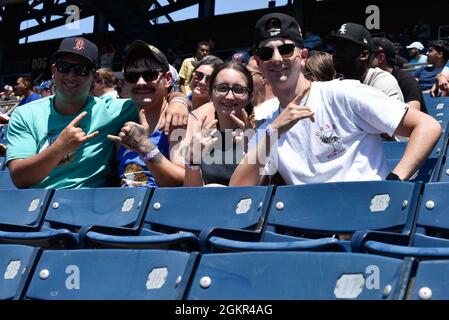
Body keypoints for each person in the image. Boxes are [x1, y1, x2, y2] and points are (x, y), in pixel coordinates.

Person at [229, 13, 441, 186]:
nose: (276, 58)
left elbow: (428, 126)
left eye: (285, 50)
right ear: (258, 62)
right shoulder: (269, 126)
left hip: (368, 224)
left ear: (302, 56)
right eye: (266, 53)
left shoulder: (343, 93)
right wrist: (272, 132)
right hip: (309, 229)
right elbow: (238, 190)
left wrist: (394, 182)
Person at [6, 36, 189, 189]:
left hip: (90, 211)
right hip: (35, 209)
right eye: (64, 67)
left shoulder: (116, 110)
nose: (71, 76)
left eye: (81, 70)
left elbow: (154, 96)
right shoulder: (25, 114)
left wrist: (178, 99)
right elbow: (20, 179)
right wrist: (59, 147)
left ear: (94, 77)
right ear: (54, 71)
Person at [107, 40, 189, 187]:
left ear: (168, 79)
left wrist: (145, 148)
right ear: (124, 82)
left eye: (150, 75)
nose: (140, 82)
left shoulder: (178, 121)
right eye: (132, 76)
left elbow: (184, 182)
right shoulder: (123, 121)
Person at [184, 61, 256, 186]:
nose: (229, 96)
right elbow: (192, 195)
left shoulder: (262, 134)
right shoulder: (203, 140)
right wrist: (192, 161)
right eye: (222, 88)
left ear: (250, 97)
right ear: (211, 94)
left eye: (238, 90)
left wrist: (252, 151)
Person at [325, 22, 405, 102]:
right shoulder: (338, 83)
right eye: (335, 47)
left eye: (344, 48)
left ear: (364, 55)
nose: (335, 53)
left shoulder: (382, 82)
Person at [370, 37, 428, 113]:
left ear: (381, 58)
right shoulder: (369, 80)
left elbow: (412, 117)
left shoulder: (407, 82)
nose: (364, 59)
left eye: (369, 56)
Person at [246, 55, 278, 125]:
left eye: (248, 73)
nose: (243, 77)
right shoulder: (244, 108)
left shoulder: (278, 108)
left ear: (263, 78)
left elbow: (275, 135)